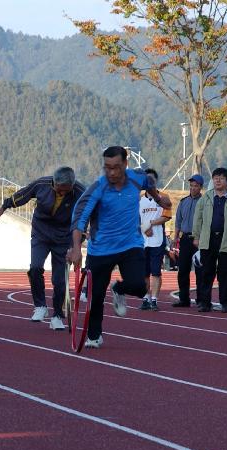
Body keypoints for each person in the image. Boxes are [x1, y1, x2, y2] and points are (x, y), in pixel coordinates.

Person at [67, 146, 156, 349]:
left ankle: (118, 288)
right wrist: (75, 248)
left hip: (130, 245)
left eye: (116, 167)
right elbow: (80, 219)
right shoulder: (98, 187)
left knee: (140, 287)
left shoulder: (136, 178)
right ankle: (94, 335)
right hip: (101, 249)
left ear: (125, 164)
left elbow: (149, 181)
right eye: (107, 168)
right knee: (96, 296)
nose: (111, 173)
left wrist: (158, 198)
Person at [0, 167, 84, 331]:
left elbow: (87, 216)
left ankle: (57, 315)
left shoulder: (79, 192)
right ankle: (40, 306)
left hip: (63, 237)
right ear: (54, 183)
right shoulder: (42, 184)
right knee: (35, 267)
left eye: (66, 190)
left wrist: (77, 244)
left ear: (72, 185)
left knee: (59, 280)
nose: (62, 192)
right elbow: (22, 195)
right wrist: (3, 207)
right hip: (41, 233)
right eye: (59, 189)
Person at [192, 167, 227, 313]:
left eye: (221, 178)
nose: (218, 180)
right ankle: (204, 302)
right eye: (215, 177)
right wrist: (196, 236)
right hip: (208, 239)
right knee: (206, 273)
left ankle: (226, 303)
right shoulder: (206, 198)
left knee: (226, 274)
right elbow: (198, 218)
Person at [138, 168, 172, 311]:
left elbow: (167, 216)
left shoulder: (163, 197)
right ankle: (146, 298)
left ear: (155, 181)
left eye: (151, 180)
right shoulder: (139, 199)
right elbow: (135, 219)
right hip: (142, 241)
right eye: (147, 180)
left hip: (157, 240)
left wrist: (151, 224)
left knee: (156, 272)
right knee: (144, 273)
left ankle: (154, 300)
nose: (149, 182)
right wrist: (144, 228)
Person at [172, 175, 204, 307]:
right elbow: (178, 221)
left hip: (199, 239)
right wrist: (175, 238)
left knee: (200, 271)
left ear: (200, 187)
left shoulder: (204, 202)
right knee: (183, 270)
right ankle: (184, 299)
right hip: (185, 239)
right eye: (191, 186)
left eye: (195, 186)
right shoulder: (183, 201)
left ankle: (201, 299)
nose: (193, 188)